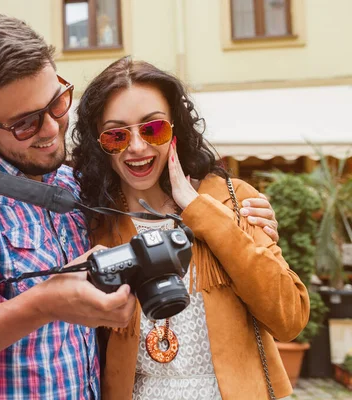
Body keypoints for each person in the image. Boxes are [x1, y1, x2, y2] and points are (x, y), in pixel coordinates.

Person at [0, 12, 281, 400]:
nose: (51, 129)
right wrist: (41, 304)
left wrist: (241, 220)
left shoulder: (74, 183)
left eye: (57, 103)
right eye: (25, 123)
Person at [71, 56, 310, 400]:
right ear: (100, 144)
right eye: (117, 135)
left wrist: (198, 209)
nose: (137, 147)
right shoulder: (95, 224)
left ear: (176, 129)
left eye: (153, 128)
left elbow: (289, 319)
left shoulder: (233, 199)